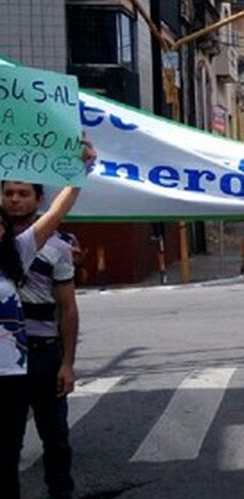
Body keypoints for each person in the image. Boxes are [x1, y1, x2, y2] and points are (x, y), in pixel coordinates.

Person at [1, 139, 96, 499]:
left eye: (22, 193)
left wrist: (67, 364)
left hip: (42, 356)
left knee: (54, 439)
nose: (13, 199)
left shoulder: (39, 245)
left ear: (36, 198)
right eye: (7, 193)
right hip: (4, 365)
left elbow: (68, 309)